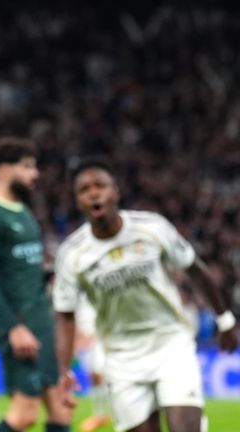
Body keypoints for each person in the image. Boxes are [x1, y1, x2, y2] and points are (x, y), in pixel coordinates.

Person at [53, 159, 238, 432]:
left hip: (171, 345)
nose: (93, 193)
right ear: (77, 201)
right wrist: (64, 370)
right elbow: (65, 315)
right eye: (84, 189)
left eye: (100, 185)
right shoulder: (72, 254)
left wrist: (224, 320)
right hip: (121, 359)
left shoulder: (152, 228)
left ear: (115, 191)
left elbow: (196, 270)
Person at [0, 137, 72, 432]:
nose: (35, 174)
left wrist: (50, 276)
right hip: (19, 326)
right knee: (25, 414)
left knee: (61, 409)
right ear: (4, 170)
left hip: (41, 320)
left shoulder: (24, 213)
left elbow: (24, 271)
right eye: (27, 167)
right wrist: (13, 326)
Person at [73, 297, 112, 432]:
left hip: (100, 336)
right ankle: (100, 415)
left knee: (101, 374)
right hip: (86, 336)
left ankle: (108, 413)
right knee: (93, 376)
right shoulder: (77, 290)